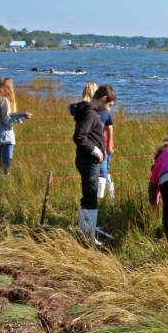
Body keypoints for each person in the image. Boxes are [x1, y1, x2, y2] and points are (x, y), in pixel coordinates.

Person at [70, 84, 117, 245]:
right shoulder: (90, 113)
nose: (108, 109)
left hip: (89, 160)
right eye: (109, 105)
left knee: (89, 196)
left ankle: (85, 231)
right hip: (89, 161)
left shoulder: (93, 112)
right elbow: (79, 137)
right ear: (104, 99)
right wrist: (95, 151)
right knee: (91, 197)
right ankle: (87, 237)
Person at [0, 77, 32, 178]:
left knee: (2, 166)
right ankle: (4, 186)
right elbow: (7, 121)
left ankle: (0, 185)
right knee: (6, 168)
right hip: (6, 138)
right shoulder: (4, 100)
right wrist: (22, 118)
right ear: (9, 88)